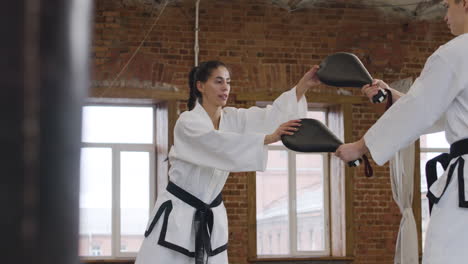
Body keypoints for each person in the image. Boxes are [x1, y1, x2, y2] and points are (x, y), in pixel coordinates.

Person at [135, 60, 321, 264]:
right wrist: (266, 138)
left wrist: (303, 86)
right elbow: (217, 144)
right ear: (200, 86)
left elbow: (270, 117)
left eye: (228, 82)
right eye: (218, 81)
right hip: (177, 215)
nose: (225, 87)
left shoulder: (233, 119)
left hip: (211, 216)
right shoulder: (187, 122)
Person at [335, 0, 468, 263]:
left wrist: (360, 147)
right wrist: (393, 97)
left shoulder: (456, 53)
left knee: (448, 254)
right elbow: (447, 112)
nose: (444, 16)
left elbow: (420, 109)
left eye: (447, 6)